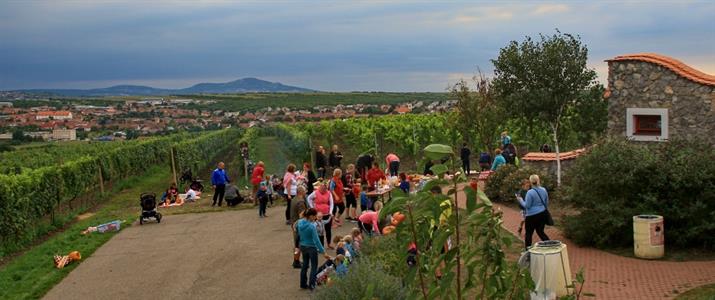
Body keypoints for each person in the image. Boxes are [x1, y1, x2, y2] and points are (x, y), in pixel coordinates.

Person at [297, 208, 330, 290]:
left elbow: (298, 234)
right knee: (314, 266)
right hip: (311, 248)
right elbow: (317, 241)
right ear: (311, 216)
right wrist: (323, 252)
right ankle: (312, 285)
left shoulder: (300, 222)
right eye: (315, 216)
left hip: (303, 246)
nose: (315, 218)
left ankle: (303, 284)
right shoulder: (312, 226)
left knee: (305, 265)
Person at [517, 175, 551, 249]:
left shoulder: (530, 192)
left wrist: (520, 200)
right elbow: (546, 202)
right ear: (538, 180)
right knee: (540, 232)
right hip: (542, 214)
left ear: (531, 182)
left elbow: (527, 206)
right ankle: (550, 245)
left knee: (529, 234)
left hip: (531, 216)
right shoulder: (544, 190)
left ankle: (527, 250)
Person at [307, 180, 335, 249]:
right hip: (318, 215)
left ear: (326, 188)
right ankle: (317, 245)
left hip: (327, 213)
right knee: (317, 231)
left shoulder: (329, 193)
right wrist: (312, 208)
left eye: (324, 189)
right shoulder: (315, 192)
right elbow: (309, 198)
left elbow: (331, 203)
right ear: (319, 188)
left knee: (328, 230)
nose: (323, 190)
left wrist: (331, 212)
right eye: (321, 188)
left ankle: (329, 243)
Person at [290, 186, 308, 268]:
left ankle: (296, 260)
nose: (305, 192)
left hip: (294, 223)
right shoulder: (300, 202)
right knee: (299, 244)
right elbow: (302, 215)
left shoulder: (294, 199)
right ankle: (296, 261)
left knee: (296, 243)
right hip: (299, 225)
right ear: (301, 192)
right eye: (305, 191)